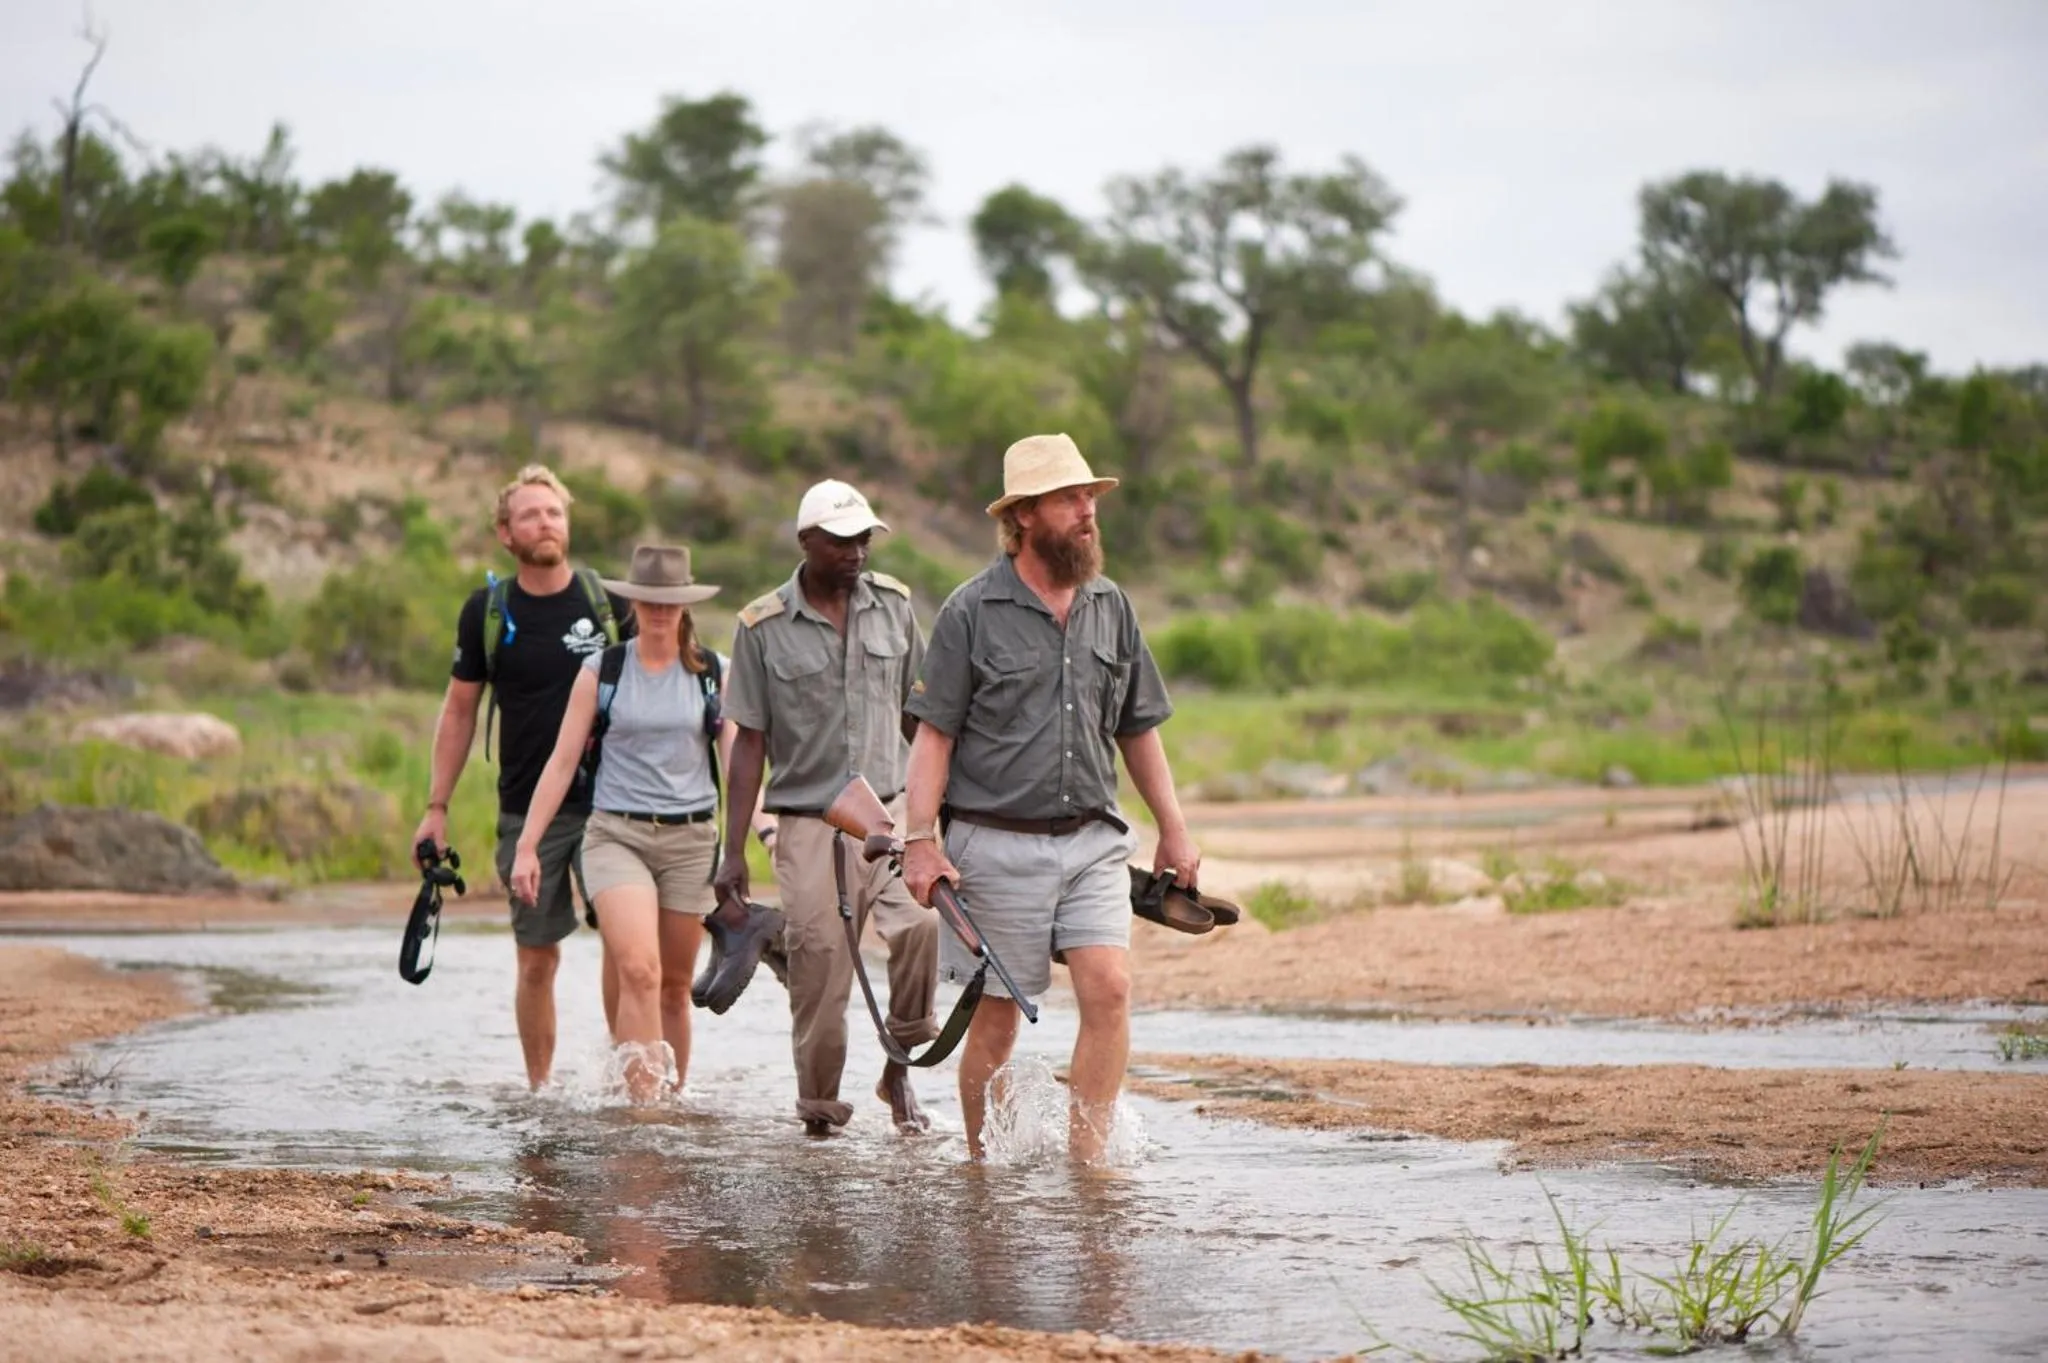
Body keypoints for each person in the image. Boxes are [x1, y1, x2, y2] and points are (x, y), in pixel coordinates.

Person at [901, 433, 1200, 1163]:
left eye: (1090, 496)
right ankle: (985, 1169)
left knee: (1111, 988)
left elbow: (1138, 727)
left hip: (1094, 840)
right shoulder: (970, 611)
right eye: (1071, 498)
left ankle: (1088, 1168)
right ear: (1026, 515)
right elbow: (933, 738)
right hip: (992, 842)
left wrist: (1174, 829)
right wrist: (919, 841)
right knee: (997, 1022)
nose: (1088, 510)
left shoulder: (1111, 606)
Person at [511, 544, 782, 1105]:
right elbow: (562, 762)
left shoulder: (713, 674)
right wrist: (528, 846)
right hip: (616, 836)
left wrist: (768, 831)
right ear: (634, 604)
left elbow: (739, 766)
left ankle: (672, 1099)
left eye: (670, 602)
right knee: (638, 968)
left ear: (685, 605)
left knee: (675, 988)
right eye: (649, 601)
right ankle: (644, 1114)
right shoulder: (603, 670)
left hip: (690, 839)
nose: (660, 611)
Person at [716, 479, 940, 1137]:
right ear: (806, 542)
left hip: (890, 815)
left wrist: (937, 818)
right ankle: (820, 1116)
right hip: (808, 822)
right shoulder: (761, 625)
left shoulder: (895, 607)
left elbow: (920, 720)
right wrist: (732, 853)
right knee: (820, 971)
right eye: (841, 541)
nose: (856, 552)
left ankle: (899, 1063)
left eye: (864, 538)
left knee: (922, 928)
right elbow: (748, 741)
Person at [413, 464, 635, 1091]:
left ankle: (625, 1085)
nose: (546, 523)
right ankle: (540, 1089)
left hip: (613, 806)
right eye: (532, 514)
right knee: (536, 957)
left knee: (624, 949)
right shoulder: (487, 611)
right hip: (524, 811)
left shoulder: (610, 605)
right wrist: (437, 807)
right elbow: (459, 711)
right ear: (506, 533)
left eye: (555, 512)